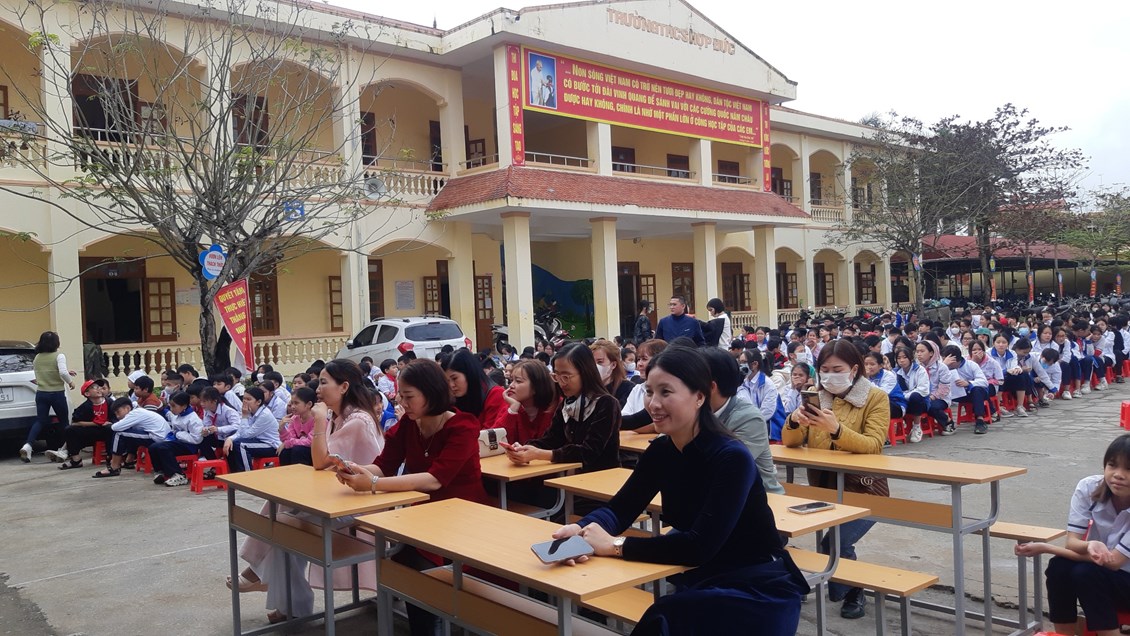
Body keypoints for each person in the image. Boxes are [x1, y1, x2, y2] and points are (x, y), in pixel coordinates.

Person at [552, 346, 809, 635]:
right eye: (650, 391)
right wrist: (582, 530)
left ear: (700, 396)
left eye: (666, 392)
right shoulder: (661, 450)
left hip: (754, 587)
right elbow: (620, 509)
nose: (654, 404)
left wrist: (616, 545)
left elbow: (699, 546)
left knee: (663, 617)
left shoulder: (731, 457)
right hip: (702, 578)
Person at [336, 359, 484, 635]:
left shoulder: (463, 426)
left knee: (412, 562)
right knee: (402, 559)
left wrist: (373, 483)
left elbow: (435, 479)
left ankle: (432, 626)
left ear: (431, 393)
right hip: (423, 515)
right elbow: (384, 464)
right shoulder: (409, 423)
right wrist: (356, 469)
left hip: (463, 515)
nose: (402, 403)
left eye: (409, 397)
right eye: (400, 396)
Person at [232, 358, 385, 624]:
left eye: (324, 383)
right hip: (339, 497)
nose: (318, 389)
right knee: (280, 508)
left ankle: (274, 585)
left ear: (344, 387)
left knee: (283, 523)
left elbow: (320, 461)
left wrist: (319, 420)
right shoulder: (340, 416)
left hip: (361, 508)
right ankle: (278, 589)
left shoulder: (357, 421)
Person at [782, 339, 889, 619]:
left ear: (854, 369)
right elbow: (791, 442)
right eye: (825, 370)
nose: (830, 376)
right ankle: (826, 584)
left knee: (835, 542)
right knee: (785, 532)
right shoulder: (816, 395)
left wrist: (837, 430)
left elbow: (874, 444)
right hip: (824, 487)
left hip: (863, 490)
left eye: (837, 369)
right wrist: (794, 421)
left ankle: (854, 589)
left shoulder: (875, 397)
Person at [1015, 434, 1130, 636]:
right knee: (1059, 567)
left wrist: (1046, 547)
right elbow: (1073, 542)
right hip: (1101, 575)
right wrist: (1089, 545)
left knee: (1086, 573)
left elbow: (1113, 562)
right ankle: (1063, 634)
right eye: (1112, 465)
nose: (1118, 475)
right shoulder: (1089, 487)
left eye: (1128, 469)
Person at [504, 343, 620, 477]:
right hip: (573, 478)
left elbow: (589, 452)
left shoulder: (606, 403)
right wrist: (524, 448)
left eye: (566, 376)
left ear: (585, 373)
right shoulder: (567, 402)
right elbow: (552, 439)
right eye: (556, 376)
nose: (561, 382)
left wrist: (540, 454)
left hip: (603, 477)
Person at [701, 347, 783, 495]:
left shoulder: (749, 419)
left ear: (711, 386)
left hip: (760, 498)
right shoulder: (695, 411)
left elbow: (725, 470)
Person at [21, 331, 77, 462]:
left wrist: (65, 372)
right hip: (56, 393)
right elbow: (62, 372)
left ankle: (28, 445)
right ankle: (65, 449)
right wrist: (70, 381)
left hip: (41, 393)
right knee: (64, 422)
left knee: (40, 420)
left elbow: (46, 371)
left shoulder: (37, 357)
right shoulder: (59, 356)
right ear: (57, 343)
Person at [92, 397, 172, 478]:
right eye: (115, 414)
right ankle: (129, 461)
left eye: (118, 412)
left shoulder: (135, 413)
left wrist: (109, 425)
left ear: (127, 408)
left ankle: (114, 467)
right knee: (129, 433)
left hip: (157, 438)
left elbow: (116, 428)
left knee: (119, 434)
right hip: (159, 436)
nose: (117, 416)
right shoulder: (137, 411)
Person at [53, 379, 115, 469]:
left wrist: (110, 423)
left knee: (110, 429)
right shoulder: (85, 406)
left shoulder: (110, 402)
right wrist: (95, 424)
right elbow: (75, 422)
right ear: (87, 394)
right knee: (69, 430)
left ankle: (111, 458)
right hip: (91, 431)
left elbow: (116, 417)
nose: (98, 389)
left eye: (99, 387)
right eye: (94, 387)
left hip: (106, 430)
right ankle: (76, 460)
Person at [441, 349, 507, 430]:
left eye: (454, 378)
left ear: (469, 373)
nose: (451, 385)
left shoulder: (495, 394)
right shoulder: (452, 399)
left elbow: (490, 433)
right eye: (447, 381)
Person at [495, 359, 557, 444]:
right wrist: (512, 410)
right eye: (511, 380)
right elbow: (494, 441)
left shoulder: (555, 409)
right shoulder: (510, 408)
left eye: (518, 381)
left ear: (537, 386)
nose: (511, 385)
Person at [148, 391, 203, 487]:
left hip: (189, 446)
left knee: (163, 448)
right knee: (153, 447)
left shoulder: (193, 419)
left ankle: (178, 474)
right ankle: (160, 471)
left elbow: (197, 439)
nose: (171, 409)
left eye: (174, 406)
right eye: (170, 406)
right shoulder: (178, 416)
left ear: (184, 406)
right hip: (178, 442)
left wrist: (178, 434)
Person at [223, 387, 282, 473]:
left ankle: (246, 474)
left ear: (258, 402)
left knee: (240, 445)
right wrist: (229, 439)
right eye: (244, 399)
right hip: (257, 441)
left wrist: (244, 416)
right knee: (230, 443)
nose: (245, 402)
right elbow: (240, 431)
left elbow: (246, 435)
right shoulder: (250, 412)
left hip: (271, 445)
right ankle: (234, 473)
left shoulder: (264, 414)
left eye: (248, 399)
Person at [736, 347, 786, 442]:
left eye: (744, 362)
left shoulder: (768, 384)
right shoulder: (743, 383)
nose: (741, 366)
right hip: (749, 423)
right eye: (740, 362)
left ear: (755, 364)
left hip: (769, 426)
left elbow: (767, 412)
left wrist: (748, 424)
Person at [621, 339, 668, 433]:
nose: (639, 364)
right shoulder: (637, 389)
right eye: (638, 359)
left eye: (644, 359)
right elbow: (625, 420)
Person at [941, 345, 991, 434]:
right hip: (953, 394)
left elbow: (984, 382)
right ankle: (943, 421)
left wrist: (969, 383)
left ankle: (980, 420)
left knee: (977, 390)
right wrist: (944, 366)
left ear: (955, 359)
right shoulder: (943, 368)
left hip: (972, 393)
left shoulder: (971, 365)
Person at [915, 340, 955, 435]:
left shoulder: (941, 367)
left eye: (922, 351)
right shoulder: (917, 368)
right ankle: (917, 427)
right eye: (917, 351)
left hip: (940, 398)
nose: (919, 354)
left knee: (931, 407)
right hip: (923, 396)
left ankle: (948, 422)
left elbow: (944, 389)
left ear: (931, 353)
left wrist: (932, 397)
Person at [278, 386, 317, 466]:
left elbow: (311, 442)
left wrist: (288, 443)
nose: (292, 406)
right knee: (285, 451)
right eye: (292, 403)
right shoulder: (295, 418)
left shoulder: (317, 419)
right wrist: (282, 429)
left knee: (298, 450)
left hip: (315, 453)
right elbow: (288, 439)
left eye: (296, 403)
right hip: (299, 451)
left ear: (309, 404)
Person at [863, 351, 907, 420]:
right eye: (866, 364)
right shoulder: (865, 376)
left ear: (880, 366)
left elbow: (881, 394)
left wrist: (865, 380)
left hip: (895, 405)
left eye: (872, 364)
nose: (868, 367)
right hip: (875, 403)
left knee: (877, 404)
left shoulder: (888, 376)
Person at [590, 339, 633, 406]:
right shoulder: (587, 389)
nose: (595, 366)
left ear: (613, 365)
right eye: (592, 362)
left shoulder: (628, 389)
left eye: (600, 362)